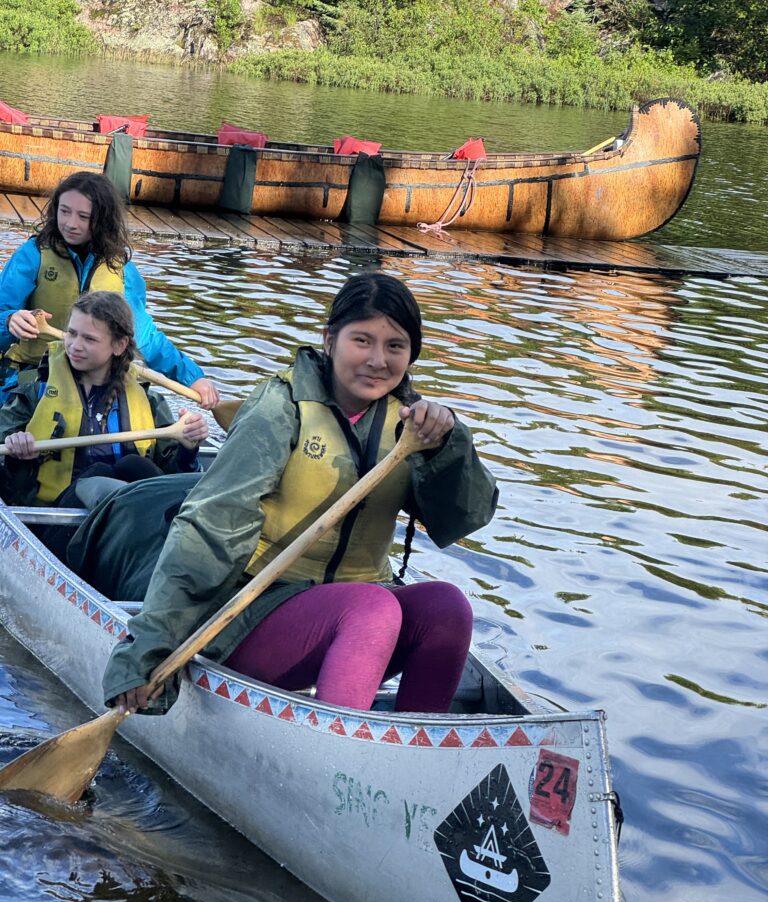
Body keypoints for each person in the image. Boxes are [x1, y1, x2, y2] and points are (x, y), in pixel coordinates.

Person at [103, 272, 498, 715]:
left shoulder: (413, 425)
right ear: (329, 339)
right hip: (251, 608)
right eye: (362, 340)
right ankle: (340, 761)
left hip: (361, 614)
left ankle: (418, 749)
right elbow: (209, 528)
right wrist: (150, 647)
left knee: (447, 607)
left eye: (395, 346)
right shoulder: (281, 406)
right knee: (372, 609)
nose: (377, 360)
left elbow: (464, 517)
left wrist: (448, 447)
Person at [0, 170, 219, 406]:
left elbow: (145, 337)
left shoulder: (122, 271)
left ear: (103, 219)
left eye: (84, 216)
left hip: (97, 380)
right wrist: (9, 320)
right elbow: (3, 310)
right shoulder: (32, 255)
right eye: (64, 211)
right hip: (35, 375)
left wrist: (193, 378)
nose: (71, 224)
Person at [0, 290, 208, 514]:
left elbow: (175, 475)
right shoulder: (34, 393)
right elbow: (8, 479)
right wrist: (16, 454)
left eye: (89, 338)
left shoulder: (149, 402)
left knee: (134, 466)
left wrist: (188, 447)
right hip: (54, 521)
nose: (75, 345)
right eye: (71, 333)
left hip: (124, 521)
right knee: (100, 472)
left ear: (119, 345)